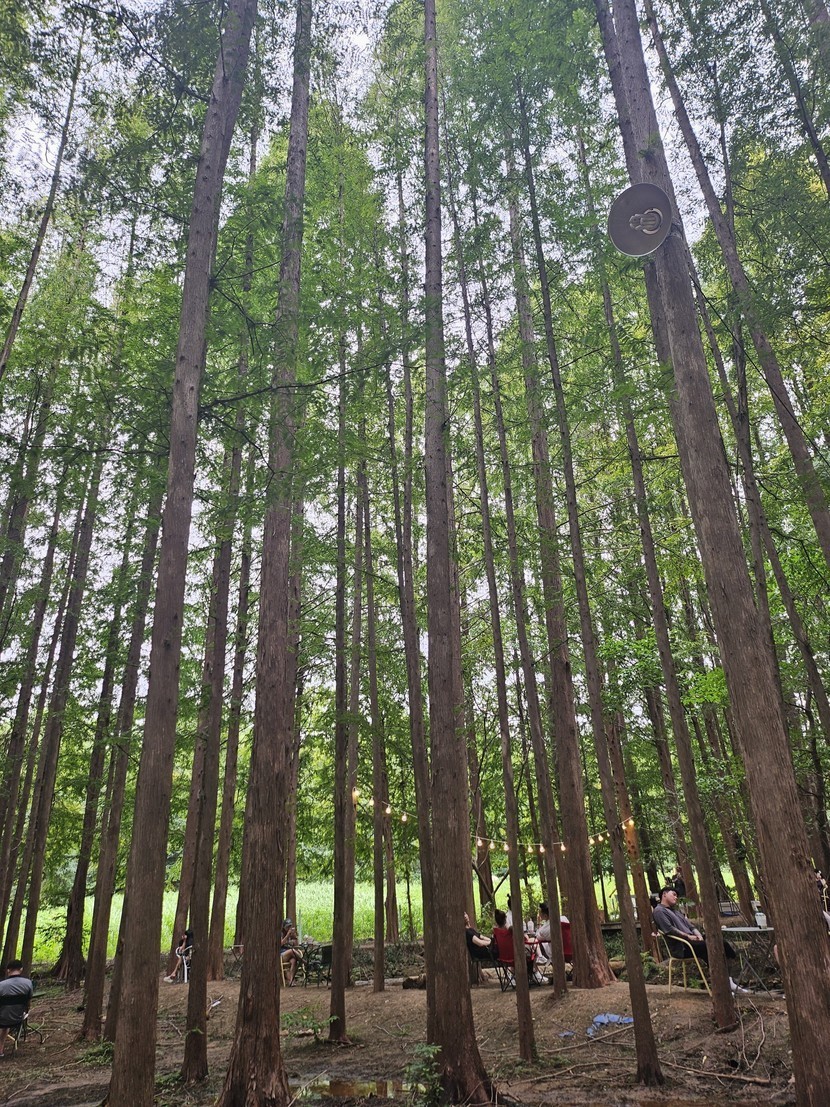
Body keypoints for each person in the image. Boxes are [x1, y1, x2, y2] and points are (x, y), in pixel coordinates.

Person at [653, 887, 745, 992]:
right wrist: (688, 936)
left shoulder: (676, 911)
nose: (676, 897)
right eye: (673, 894)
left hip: (693, 940)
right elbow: (669, 929)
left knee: (719, 942)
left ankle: (729, 980)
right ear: (664, 894)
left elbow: (691, 926)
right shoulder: (659, 911)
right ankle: (722, 986)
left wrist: (699, 935)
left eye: (676, 895)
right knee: (709, 947)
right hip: (682, 946)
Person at [0, 960, 33, 1056]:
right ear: (21, 969)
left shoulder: (1, 985)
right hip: (18, 1018)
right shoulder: (28, 983)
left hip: (2, 1018)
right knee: (6, 1022)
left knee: (4, 1019)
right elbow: (28, 1002)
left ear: (8, 970)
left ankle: (0, 1050)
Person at [280, 918, 304, 985]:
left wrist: (295, 937)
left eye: (290, 926)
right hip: (282, 955)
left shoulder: (292, 934)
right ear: (284, 927)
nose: (289, 928)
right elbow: (280, 944)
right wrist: (287, 936)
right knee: (291, 951)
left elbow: (297, 946)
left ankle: (291, 981)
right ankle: (303, 961)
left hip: (291, 954)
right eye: (287, 927)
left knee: (294, 961)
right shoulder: (281, 934)